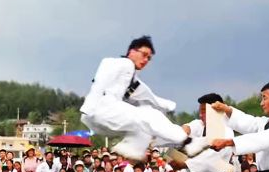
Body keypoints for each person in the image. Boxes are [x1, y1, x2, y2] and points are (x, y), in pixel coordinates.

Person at [80, 35, 209, 161]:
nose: (146, 60)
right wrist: (90, 105)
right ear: (132, 51)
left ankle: (131, 148)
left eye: (149, 58)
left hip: (101, 117)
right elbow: (103, 76)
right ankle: (188, 142)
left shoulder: (131, 76)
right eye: (144, 55)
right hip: (101, 108)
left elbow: (144, 93)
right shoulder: (122, 63)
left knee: (146, 115)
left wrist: (165, 104)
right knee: (150, 116)